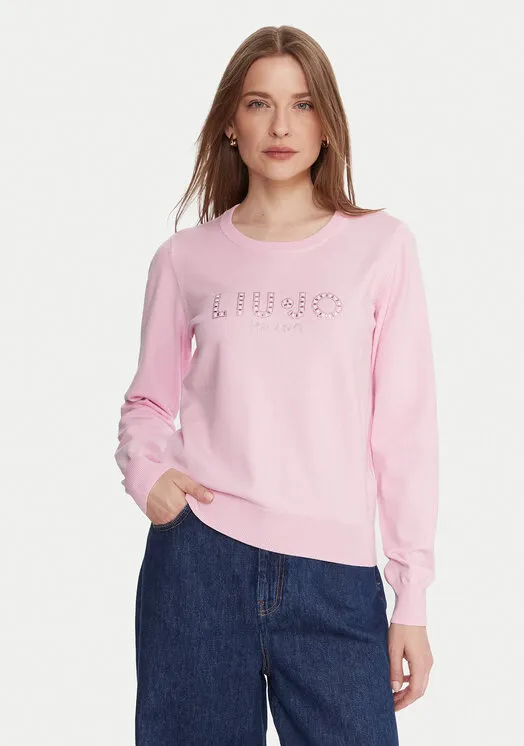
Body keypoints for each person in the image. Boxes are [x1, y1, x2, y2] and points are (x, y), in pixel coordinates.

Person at [114, 24, 438, 746]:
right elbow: (148, 401)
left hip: (335, 577)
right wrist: (149, 475)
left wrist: (411, 597)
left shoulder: (382, 247)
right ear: (231, 123)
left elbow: (405, 433)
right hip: (198, 562)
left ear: (327, 122)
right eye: (260, 103)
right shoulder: (184, 258)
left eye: (302, 104)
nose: (282, 126)